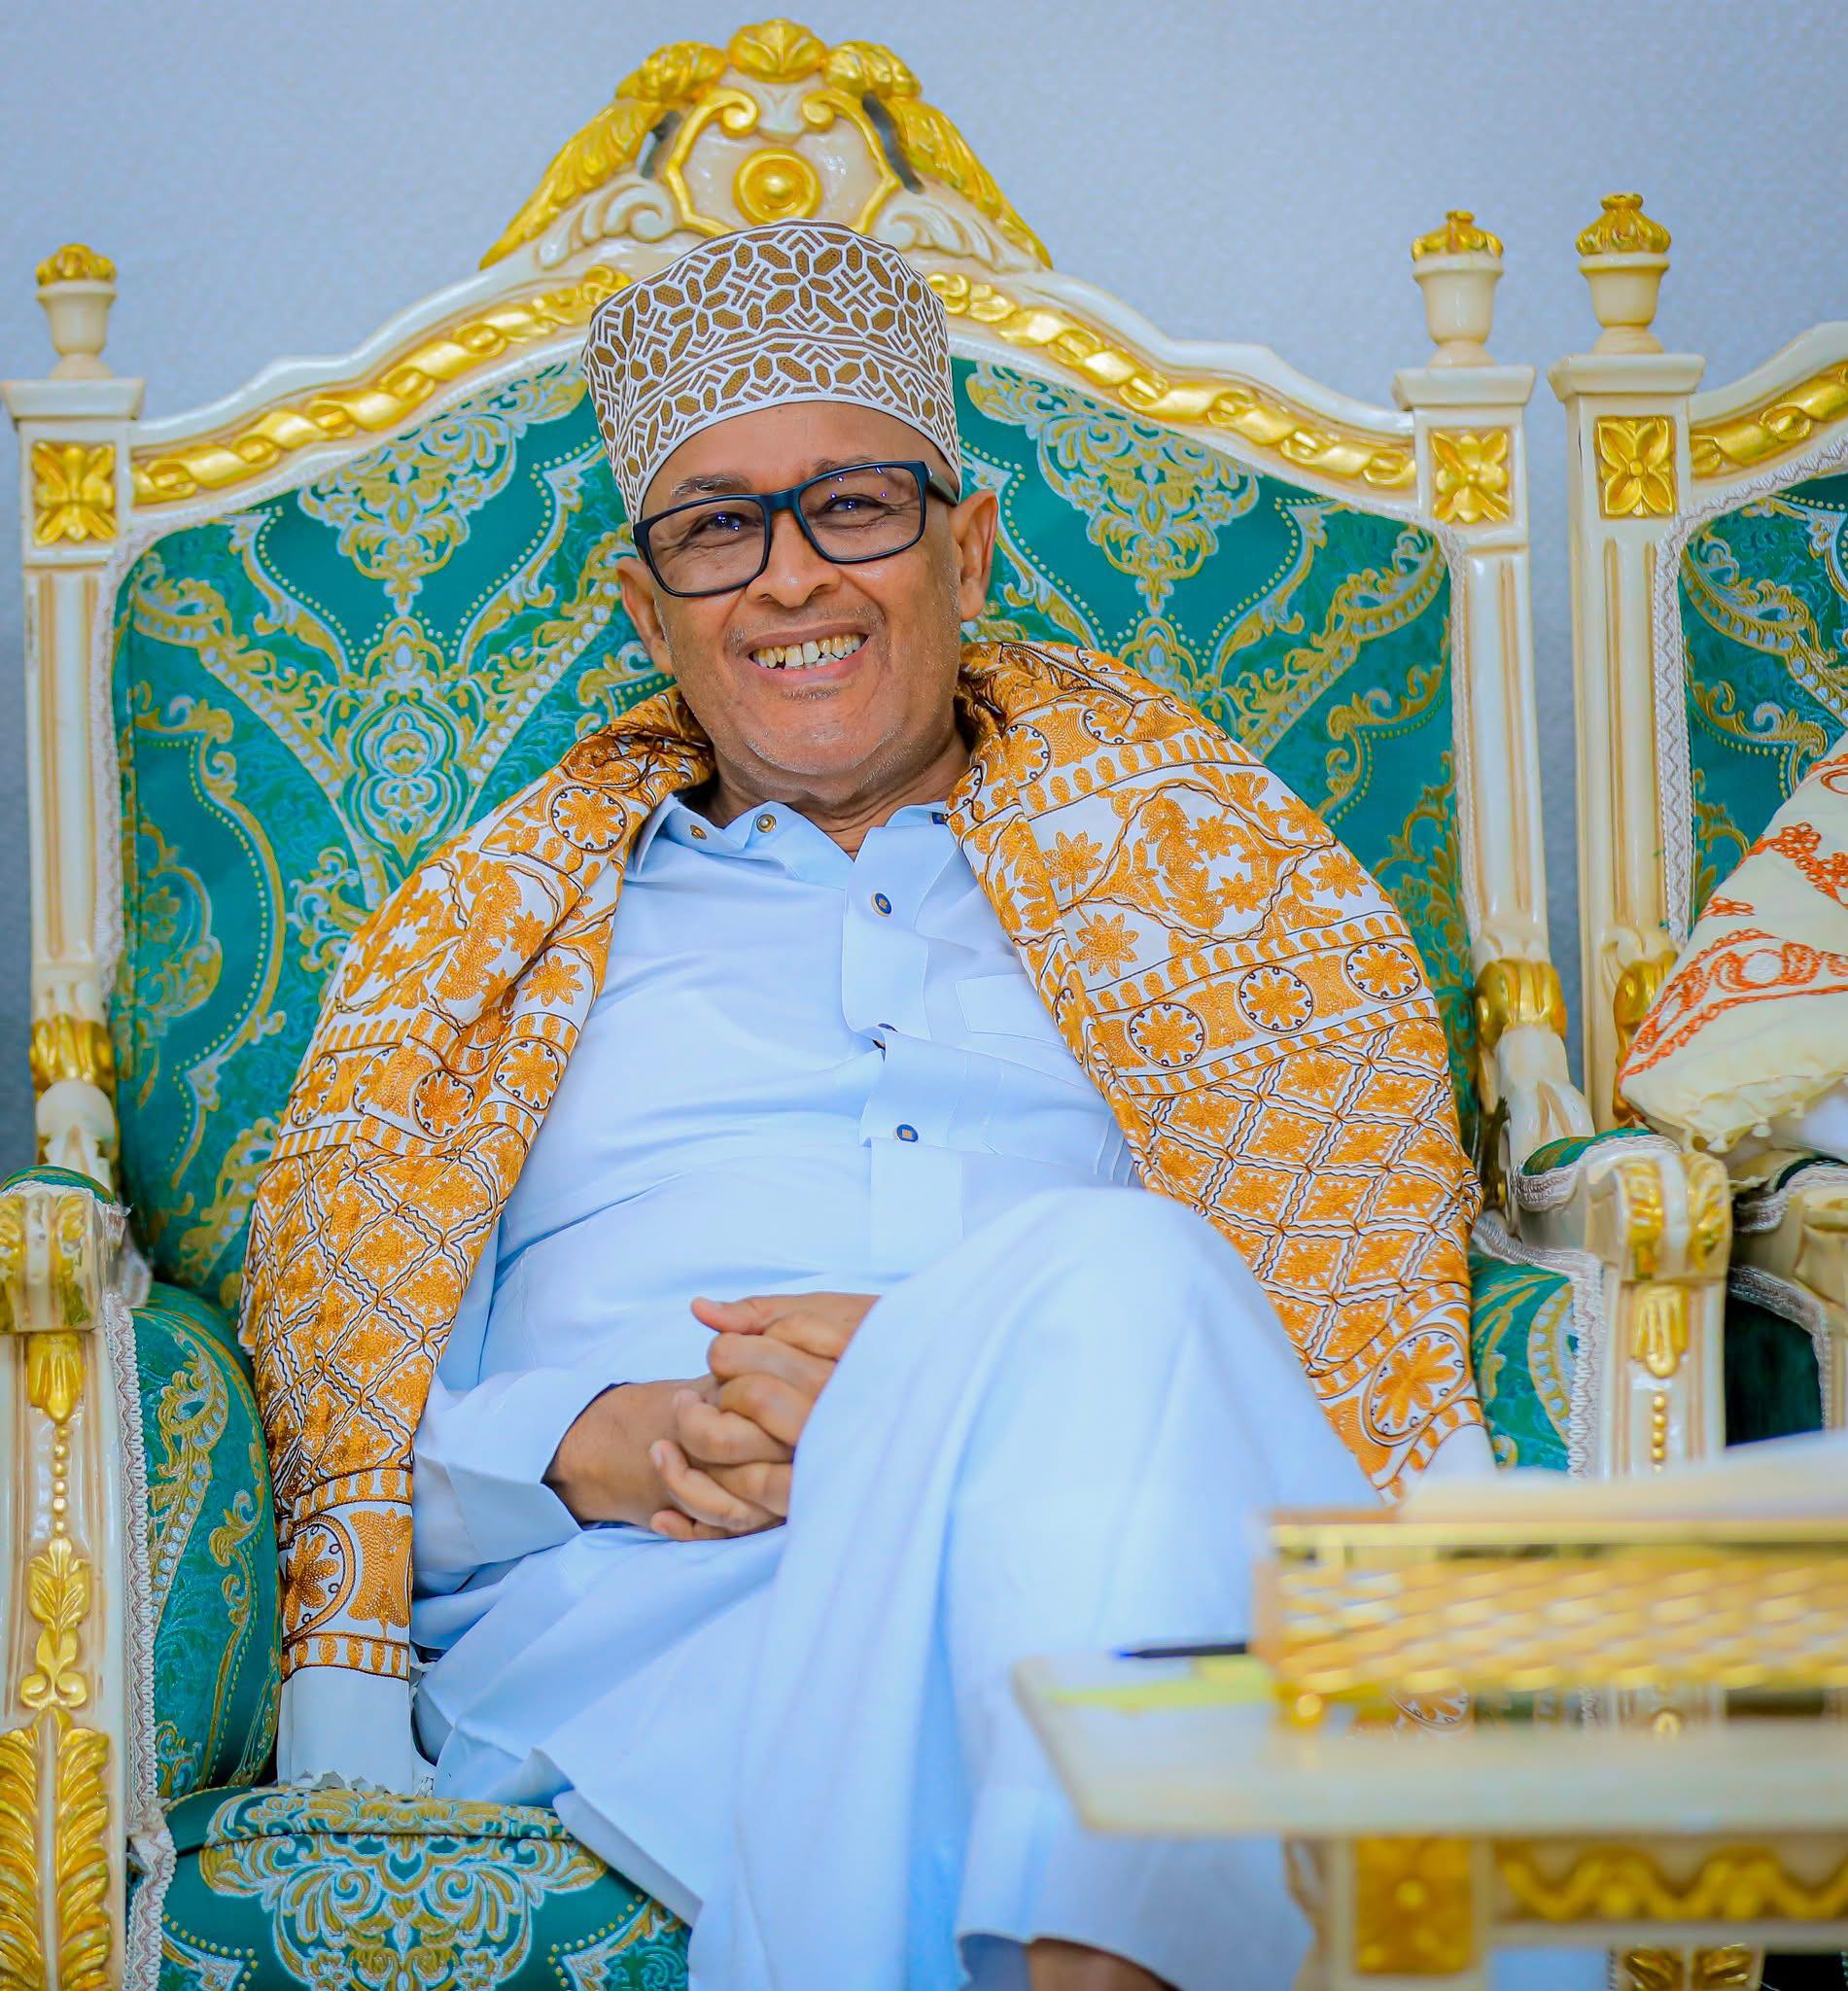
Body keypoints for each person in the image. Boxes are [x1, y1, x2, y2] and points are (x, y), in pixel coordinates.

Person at [243, 221, 1490, 1990]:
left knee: (1122, 1281)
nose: (788, 579)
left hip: (1103, 1532)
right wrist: (610, 1438)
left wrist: (925, 1397)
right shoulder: (494, 953)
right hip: (674, 1592)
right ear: (645, 606)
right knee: (1117, 1313)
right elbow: (349, 1425)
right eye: (716, 527)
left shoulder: (1208, 904)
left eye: (851, 507)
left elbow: (1326, 1335)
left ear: (964, 549)